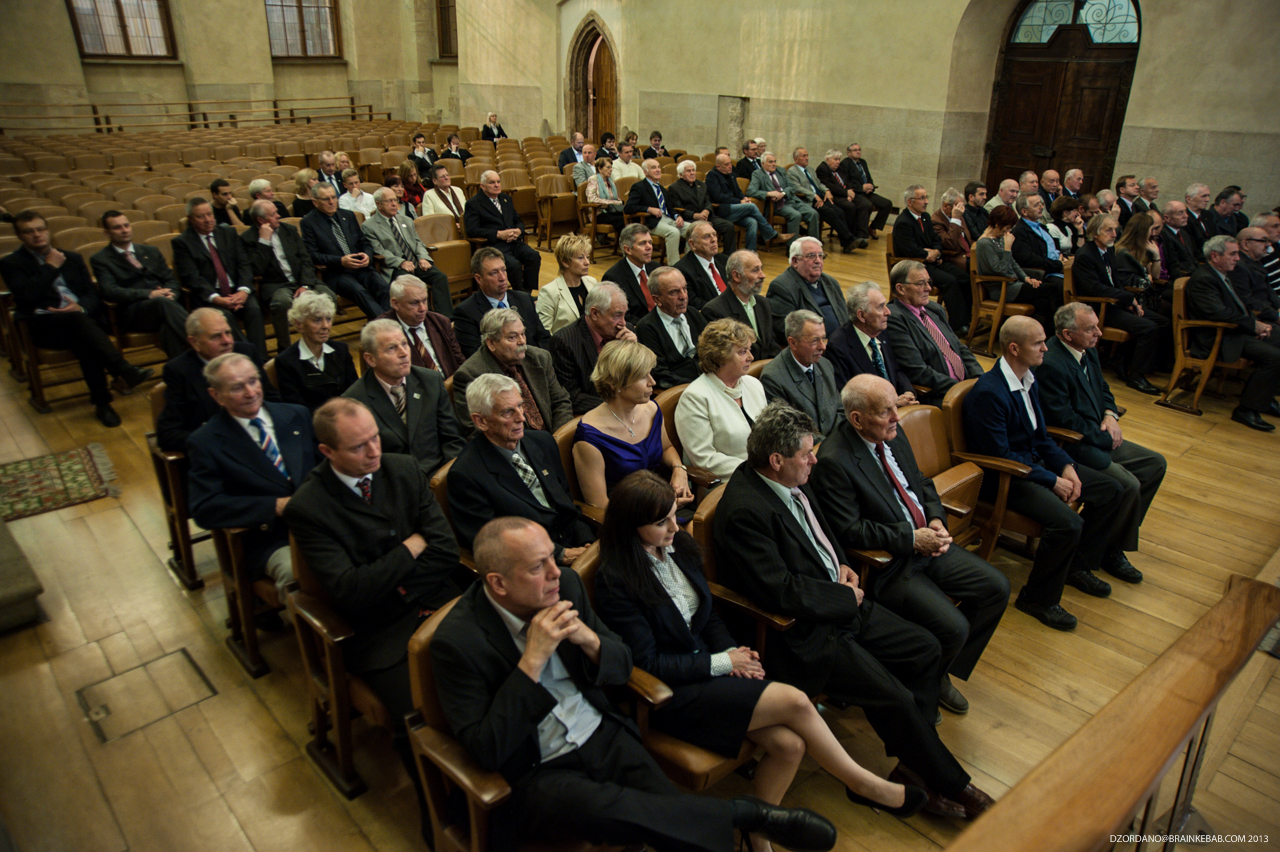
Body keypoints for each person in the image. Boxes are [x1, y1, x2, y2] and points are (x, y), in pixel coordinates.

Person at [429, 516, 837, 852]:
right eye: (538, 568)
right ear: (498, 583)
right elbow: (486, 747)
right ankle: (742, 816)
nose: (555, 572)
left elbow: (624, 662)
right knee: (615, 809)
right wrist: (531, 662)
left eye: (553, 557)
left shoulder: (565, 586)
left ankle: (740, 821)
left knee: (674, 820)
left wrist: (590, 642)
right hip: (536, 768)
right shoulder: (457, 641)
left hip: (601, 733)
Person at [596, 471, 927, 830]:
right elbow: (648, 663)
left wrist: (733, 653)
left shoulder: (679, 547)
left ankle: (757, 836)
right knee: (797, 701)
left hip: (709, 670)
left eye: (674, 515)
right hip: (670, 693)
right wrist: (723, 662)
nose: (675, 527)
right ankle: (863, 785)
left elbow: (708, 615)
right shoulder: (617, 580)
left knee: (790, 746)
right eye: (661, 522)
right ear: (631, 526)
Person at [713, 403, 996, 820]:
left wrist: (841, 562)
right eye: (806, 454)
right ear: (776, 460)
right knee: (895, 696)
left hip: (841, 600)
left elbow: (823, 532)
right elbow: (779, 591)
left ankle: (913, 766)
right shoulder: (744, 510)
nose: (814, 460)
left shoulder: (791, 477)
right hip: (803, 632)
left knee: (926, 648)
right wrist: (844, 597)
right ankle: (952, 783)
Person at [284, 397, 462, 841]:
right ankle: (439, 818)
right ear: (327, 452)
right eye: (359, 446)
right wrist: (409, 547)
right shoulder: (309, 506)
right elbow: (350, 592)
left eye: (375, 438)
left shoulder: (402, 469)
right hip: (378, 634)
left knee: (494, 666)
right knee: (417, 713)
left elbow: (443, 549)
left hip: (436, 601)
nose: (374, 451)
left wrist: (396, 582)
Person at [811, 374, 1009, 718]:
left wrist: (935, 519)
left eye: (895, 407)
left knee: (996, 588)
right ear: (857, 419)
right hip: (891, 563)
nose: (896, 417)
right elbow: (849, 530)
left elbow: (920, 482)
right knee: (954, 627)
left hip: (928, 540)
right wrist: (911, 539)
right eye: (885, 411)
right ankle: (924, 687)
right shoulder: (834, 460)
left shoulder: (892, 433)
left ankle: (939, 672)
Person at [962, 316, 1127, 627]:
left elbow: (1042, 437)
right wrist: (1053, 480)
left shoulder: (1028, 379)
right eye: (1038, 343)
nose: (1046, 348)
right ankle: (1037, 599)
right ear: (1014, 348)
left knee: (1110, 491)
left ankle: (1076, 566)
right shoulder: (990, 392)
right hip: (1008, 478)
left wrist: (1067, 467)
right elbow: (1000, 455)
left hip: (1034, 465)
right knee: (1068, 523)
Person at [1035, 303, 1166, 584]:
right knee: (1127, 484)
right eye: (1090, 329)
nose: (1099, 333)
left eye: (1096, 326)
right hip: (1074, 445)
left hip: (1098, 434)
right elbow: (1064, 420)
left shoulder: (1087, 349)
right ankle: (1095, 555)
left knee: (1155, 464)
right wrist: (1105, 436)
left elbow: (1104, 388)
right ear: (1068, 334)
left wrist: (1110, 414)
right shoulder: (1052, 364)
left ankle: (1111, 545)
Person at [1, 210, 152, 426]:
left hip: (81, 323)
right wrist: (50, 266)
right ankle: (121, 370)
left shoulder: (71, 258)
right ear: (19, 236)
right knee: (80, 325)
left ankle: (103, 403)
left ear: (48, 230)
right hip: (45, 326)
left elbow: (91, 294)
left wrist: (80, 306)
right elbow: (26, 297)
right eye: (29, 231)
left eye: (41, 229)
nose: (36, 235)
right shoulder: (11, 263)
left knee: (84, 338)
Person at [187, 352, 318, 600]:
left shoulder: (296, 415)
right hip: (270, 537)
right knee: (299, 575)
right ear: (216, 396)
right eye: (238, 388)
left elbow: (326, 467)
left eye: (253, 381)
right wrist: (274, 506)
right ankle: (310, 625)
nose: (251, 392)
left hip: (321, 522)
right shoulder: (206, 442)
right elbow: (204, 508)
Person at [448, 374, 593, 563]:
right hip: (531, 562)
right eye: (508, 412)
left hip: (576, 544)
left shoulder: (543, 442)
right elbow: (492, 544)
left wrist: (587, 543)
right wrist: (559, 554)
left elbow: (567, 504)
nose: (522, 418)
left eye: (520, 406)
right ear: (480, 421)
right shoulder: (466, 475)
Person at [572, 340, 692, 508]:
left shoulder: (652, 409)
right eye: (643, 376)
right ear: (615, 383)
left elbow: (666, 448)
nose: (652, 382)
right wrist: (661, 511)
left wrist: (679, 469)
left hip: (662, 499)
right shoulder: (589, 437)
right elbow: (599, 505)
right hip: (629, 516)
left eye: (650, 373)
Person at [343, 319, 465, 475]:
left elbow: (453, 438)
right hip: (393, 482)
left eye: (404, 344)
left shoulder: (430, 381)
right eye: (392, 348)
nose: (404, 353)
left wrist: (449, 476)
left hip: (438, 474)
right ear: (370, 359)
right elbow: (363, 463)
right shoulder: (354, 402)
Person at [1187, 235, 1280, 431]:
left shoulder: (1221, 274)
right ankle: (1246, 410)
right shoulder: (1204, 279)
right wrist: (1253, 326)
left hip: (1234, 331)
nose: (1238, 258)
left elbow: (1238, 308)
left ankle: (1265, 396)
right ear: (1215, 256)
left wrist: (1256, 325)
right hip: (1218, 337)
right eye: (1233, 254)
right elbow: (1219, 314)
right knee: (1274, 357)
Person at [156, 308, 275, 451]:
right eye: (216, 336)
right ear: (194, 342)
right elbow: (168, 433)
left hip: (263, 435)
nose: (227, 341)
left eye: (228, 333)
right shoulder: (179, 371)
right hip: (220, 451)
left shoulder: (247, 352)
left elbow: (272, 399)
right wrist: (216, 442)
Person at [1072, 214, 1165, 394]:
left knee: (1163, 322)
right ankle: (1136, 375)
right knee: (1149, 328)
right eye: (1109, 230)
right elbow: (1094, 288)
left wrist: (1130, 301)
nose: (1114, 234)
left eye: (1115, 230)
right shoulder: (1085, 255)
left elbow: (1116, 282)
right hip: (1099, 308)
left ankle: (1121, 358)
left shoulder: (1109, 250)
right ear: (1095, 233)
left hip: (1115, 303)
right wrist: (1126, 298)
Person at [172, 197, 268, 360]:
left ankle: (261, 359)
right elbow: (192, 277)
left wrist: (243, 291)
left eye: (210, 214)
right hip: (209, 296)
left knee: (253, 309)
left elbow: (243, 264)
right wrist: (216, 299)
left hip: (237, 290)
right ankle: (245, 358)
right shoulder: (182, 242)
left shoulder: (228, 233)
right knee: (224, 317)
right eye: (200, 216)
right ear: (190, 219)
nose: (207, 220)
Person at [451, 308, 573, 434]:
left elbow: (561, 402)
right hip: (511, 442)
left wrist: (557, 438)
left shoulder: (540, 357)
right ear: (491, 343)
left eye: (523, 334)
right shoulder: (470, 375)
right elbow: (476, 430)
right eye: (512, 337)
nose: (522, 341)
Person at [239, 198, 336, 353]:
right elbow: (256, 269)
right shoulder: (247, 238)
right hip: (276, 285)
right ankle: (285, 348)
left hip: (301, 279)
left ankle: (321, 341)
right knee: (282, 303)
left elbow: (305, 259)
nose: (278, 216)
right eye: (273, 214)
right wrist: (264, 241)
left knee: (329, 296)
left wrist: (305, 285)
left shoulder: (289, 230)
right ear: (261, 220)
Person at [674, 318, 766, 477]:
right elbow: (705, 459)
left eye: (749, 350)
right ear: (720, 356)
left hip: (767, 472)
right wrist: (757, 470)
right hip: (731, 480)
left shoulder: (753, 384)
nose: (751, 357)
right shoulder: (695, 398)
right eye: (742, 352)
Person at [89, 210, 189, 357]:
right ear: (107, 233)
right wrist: (150, 294)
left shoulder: (151, 251)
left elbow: (171, 280)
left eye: (126, 225)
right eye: (117, 227)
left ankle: (183, 368)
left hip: (166, 306)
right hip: (133, 312)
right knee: (163, 304)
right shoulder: (101, 259)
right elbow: (110, 291)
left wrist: (171, 294)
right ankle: (204, 343)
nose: (124, 230)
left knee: (168, 326)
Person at [884, 260, 983, 404]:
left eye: (929, 282)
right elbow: (918, 372)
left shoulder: (935, 309)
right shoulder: (895, 318)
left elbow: (960, 348)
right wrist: (963, 389)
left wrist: (979, 378)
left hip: (965, 387)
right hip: (941, 396)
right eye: (921, 283)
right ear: (901, 289)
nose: (929, 288)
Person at [299, 183, 389, 320]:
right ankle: (386, 324)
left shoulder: (348, 215)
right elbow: (312, 255)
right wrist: (340, 261)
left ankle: (383, 323)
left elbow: (364, 242)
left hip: (360, 266)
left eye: (334, 197)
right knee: (359, 291)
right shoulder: (309, 222)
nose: (331, 202)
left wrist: (367, 255)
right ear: (315, 202)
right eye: (326, 199)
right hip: (336, 272)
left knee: (383, 287)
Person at [362, 187, 453, 317]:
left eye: (395, 200)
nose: (394, 204)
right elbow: (379, 251)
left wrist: (423, 258)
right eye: (389, 201)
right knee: (414, 283)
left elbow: (418, 242)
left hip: (416, 261)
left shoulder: (405, 220)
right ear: (378, 204)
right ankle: (425, 318)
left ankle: (445, 318)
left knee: (440, 277)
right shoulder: (369, 226)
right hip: (395, 267)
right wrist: (401, 262)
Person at [550, 283, 639, 415]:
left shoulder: (627, 332)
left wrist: (635, 353)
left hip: (631, 407)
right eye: (617, 315)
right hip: (597, 414)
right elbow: (571, 396)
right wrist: (617, 405)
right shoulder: (564, 342)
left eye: (624, 315)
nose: (623, 323)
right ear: (595, 313)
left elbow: (647, 378)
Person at [892, 186, 970, 330]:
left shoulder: (926, 217)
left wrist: (936, 252)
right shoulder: (904, 222)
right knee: (950, 281)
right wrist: (926, 254)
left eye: (926, 197)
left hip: (932, 261)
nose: (926, 201)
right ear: (910, 202)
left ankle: (968, 317)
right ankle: (958, 325)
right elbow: (909, 249)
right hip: (915, 266)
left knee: (964, 277)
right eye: (922, 198)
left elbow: (936, 240)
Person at [826, 282, 916, 403]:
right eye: (880, 307)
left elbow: (895, 370)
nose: (888, 312)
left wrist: (908, 391)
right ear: (862, 315)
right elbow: (848, 397)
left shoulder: (881, 332)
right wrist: (891, 404)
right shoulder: (838, 346)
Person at [973, 203, 1059, 330]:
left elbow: (1012, 263)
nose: (1008, 232)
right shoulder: (984, 243)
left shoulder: (999, 238)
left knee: (1043, 303)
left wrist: (1026, 278)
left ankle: (1043, 335)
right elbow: (1001, 269)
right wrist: (1008, 248)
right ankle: (1057, 331)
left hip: (1014, 285)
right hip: (1002, 290)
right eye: (1007, 228)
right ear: (997, 225)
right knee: (1053, 288)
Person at [453, 247, 551, 356]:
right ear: (479, 279)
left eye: (504, 270)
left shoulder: (524, 300)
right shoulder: (466, 313)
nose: (502, 278)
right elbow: (476, 357)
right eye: (494, 273)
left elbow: (544, 339)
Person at [760, 310, 841, 440]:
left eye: (823, 338)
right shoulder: (773, 378)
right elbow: (791, 432)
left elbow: (840, 410)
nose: (823, 347)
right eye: (814, 341)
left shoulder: (825, 365)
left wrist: (839, 440)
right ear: (793, 343)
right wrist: (830, 446)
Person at [273, 291, 357, 411]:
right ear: (299, 324)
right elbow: (297, 410)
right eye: (317, 320)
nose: (326, 326)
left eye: (328, 319)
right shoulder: (286, 361)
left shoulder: (341, 350)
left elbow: (355, 392)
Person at [463, 170, 541, 293]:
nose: (496, 185)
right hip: (494, 245)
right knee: (514, 265)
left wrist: (518, 230)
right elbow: (472, 230)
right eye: (492, 182)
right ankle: (518, 294)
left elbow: (518, 221)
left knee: (534, 256)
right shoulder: (473, 203)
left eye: (498, 182)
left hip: (513, 241)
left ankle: (526, 294)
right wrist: (498, 234)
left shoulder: (506, 199)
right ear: (482, 186)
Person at [634, 266, 707, 390]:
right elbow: (660, 373)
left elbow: (714, 350)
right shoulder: (647, 327)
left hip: (708, 380)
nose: (683, 296)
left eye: (685, 289)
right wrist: (696, 387)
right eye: (674, 292)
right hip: (680, 390)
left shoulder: (693, 314)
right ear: (657, 299)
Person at [375, 275, 464, 375]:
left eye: (424, 300)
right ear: (395, 303)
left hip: (450, 382)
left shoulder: (441, 322)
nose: (423, 308)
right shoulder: (381, 331)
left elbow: (459, 362)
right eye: (414, 303)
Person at [701, 249, 780, 361]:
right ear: (737, 276)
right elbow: (726, 358)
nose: (762, 275)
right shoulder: (714, 311)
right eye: (755, 270)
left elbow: (771, 344)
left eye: (761, 269)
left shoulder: (763, 303)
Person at [767, 236, 848, 343]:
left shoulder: (830, 282)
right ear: (795, 261)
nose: (818, 261)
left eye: (821, 256)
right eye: (811, 256)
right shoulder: (782, 287)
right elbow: (784, 331)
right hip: (815, 347)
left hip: (842, 342)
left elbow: (845, 316)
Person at [707, 152, 785, 252]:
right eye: (726, 164)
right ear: (718, 166)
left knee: (752, 222)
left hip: (735, 209)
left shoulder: (731, 174)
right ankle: (772, 234)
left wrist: (744, 198)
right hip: (722, 210)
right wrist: (739, 201)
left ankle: (750, 252)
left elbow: (738, 191)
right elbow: (718, 197)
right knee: (751, 206)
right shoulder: (712, 175)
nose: (730, 166)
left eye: (730, 163)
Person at [787, 148, 857, 254]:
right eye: (803, 156)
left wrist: (827, 190)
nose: (807, 158)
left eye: (807, 155)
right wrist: (814, 195)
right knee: (831, 212)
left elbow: (819, 184)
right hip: (809, 200)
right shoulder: (792, 172)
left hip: (821, 197)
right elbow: (797, 188)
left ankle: (846, 243)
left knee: (840, 211)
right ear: (796, 159)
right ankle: (849, 239)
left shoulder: (810, 169)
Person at [624, 159, 692, 266]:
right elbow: (628, 208)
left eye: (659, 167)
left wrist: (677, 216)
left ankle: (689, 263)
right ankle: (675, 267)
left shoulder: (662, 189)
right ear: (645, 172)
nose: (658, 170)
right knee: (673, 232)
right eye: (653, 167)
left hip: (668, 219)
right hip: (651, 222)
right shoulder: (639, 187)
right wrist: (649, 209)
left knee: (692, 229)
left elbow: (670, 208)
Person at [748, 152, 817, 250]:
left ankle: (814, 248)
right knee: (796, 215)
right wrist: (768, 194)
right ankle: (792, 249)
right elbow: (751, 191)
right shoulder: (757, 174)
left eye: (774, 161)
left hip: (791, 199)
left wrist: (783, 193)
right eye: (770, 162)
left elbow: (791, 186)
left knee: (813, 213)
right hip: (776, 205)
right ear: (762, 163)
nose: (774, 164)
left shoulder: (780, 171)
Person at [667, 160, 736, 255]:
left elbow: (708, 201)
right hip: (690, 219)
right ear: (681, 175)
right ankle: (699, 257)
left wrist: (707, 211)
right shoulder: (674, 188)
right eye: (688, 171)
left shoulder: (702, 185)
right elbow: (677, 208)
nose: (692, 173)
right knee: (699, 230)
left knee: (728, 226)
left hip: (706, 216)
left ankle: (728, 256)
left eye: (693, 170)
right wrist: (695, 215)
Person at [537, 233, 599, 335]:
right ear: (565, 262)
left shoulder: (592, 282)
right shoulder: (549, 292)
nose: (587, 262)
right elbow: (544, 333)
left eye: (587, 257)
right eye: (580, 258)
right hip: (565, 343)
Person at [602, 224, 662, 324]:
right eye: (642, 243)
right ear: (627, 249)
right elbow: (622, 315)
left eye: (650, 242)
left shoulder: (656, 268)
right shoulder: (613, 277)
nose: (649, 247)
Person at [816, 149, 870, 246]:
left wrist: (849, 192)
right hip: (835, 196)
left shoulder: (839, 168)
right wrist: (846, 193)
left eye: (839, 159)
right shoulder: (822, 169)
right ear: (828, 159)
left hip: (846, 194)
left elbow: (846, 181)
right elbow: (829, 186)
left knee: (864, 204)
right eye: (835, 159)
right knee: (850, 207)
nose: (838, 162)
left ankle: (860, 235)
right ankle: (851, 236)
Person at [672, 220, 730, 309]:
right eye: (707, 237)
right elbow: (693, 303)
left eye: (714, 234)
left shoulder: (724, 260)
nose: (713, 240)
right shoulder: (682, 271)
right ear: (692, 244)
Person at [838, 143, 891, 238]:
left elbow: (868, 178)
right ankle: (862, 233)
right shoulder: (845, 163)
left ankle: (873, 227)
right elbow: (846, 182)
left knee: (887, 204)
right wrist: (861, 188)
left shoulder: (863, 162)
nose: (858, 152)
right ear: (849, 153)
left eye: (859, 149)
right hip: (855, 193)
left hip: (867, 193)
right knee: (867, 205)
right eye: (855, 150)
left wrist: (871, 186)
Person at [584, 156, 626, 236]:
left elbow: (616, 198)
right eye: (608, 167)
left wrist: (619, 202)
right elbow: (591, 199)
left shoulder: (610, 181)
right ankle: (625, 241)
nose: (611, 169)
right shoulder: (593, 179)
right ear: (600, 169)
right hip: (598, 214)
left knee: (629, 216)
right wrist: (611, 202)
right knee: (621, 220)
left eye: (611, 167)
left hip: (611, 211)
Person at [1158, 200, 1200, 282]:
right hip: (1182, 278)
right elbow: (1173, 266)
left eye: (1185, 212)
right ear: (1167, 218)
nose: (1186, 216)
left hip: (1194, 273)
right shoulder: (1164, 235)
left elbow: (1192, 258)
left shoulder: (1183, 233)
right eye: (1180, 213)